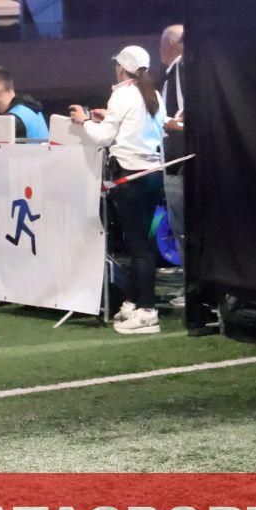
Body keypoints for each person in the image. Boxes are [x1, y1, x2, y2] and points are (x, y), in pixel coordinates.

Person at [69, 45, 166, 334]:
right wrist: (106, 117)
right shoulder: (153, 94)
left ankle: (147, 312)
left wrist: (84, 120)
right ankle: (134, 302)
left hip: (130, 177)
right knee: (141, 244)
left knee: (138, 247)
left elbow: (103, 137)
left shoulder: (122, 95)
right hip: (152, 175)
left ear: (122, 69)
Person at [159, 25, 186, 307]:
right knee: (183, 226)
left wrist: (169, 123)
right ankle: (193, 285)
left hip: (180, 161)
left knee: (183, 226)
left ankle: (193, 287)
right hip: (180, 160)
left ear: (170, 44)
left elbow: (184, 115)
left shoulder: (181, 69)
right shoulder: (176, 71)